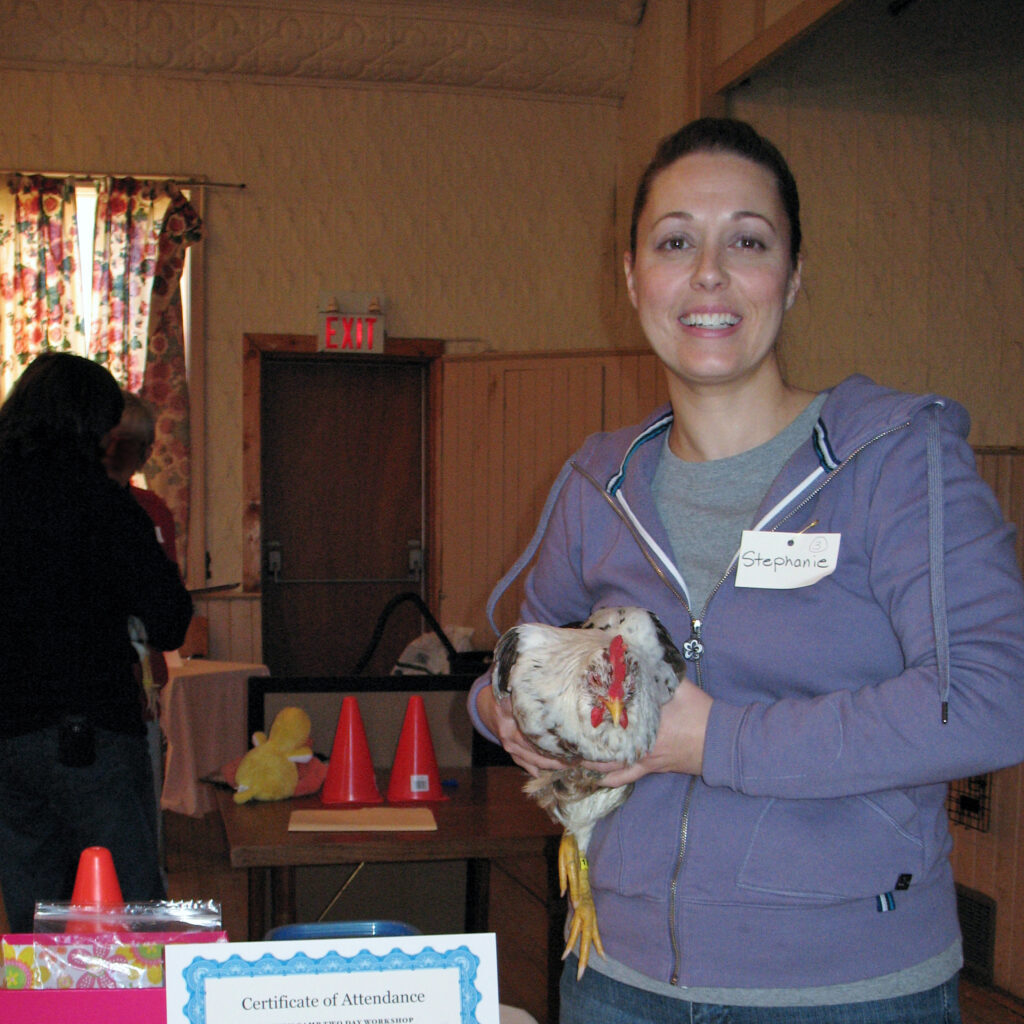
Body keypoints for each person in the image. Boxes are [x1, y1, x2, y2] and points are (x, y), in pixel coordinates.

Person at [468, 117, 1024, 1023]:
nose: (710, 273)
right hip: (617, 981)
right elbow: (512, 661)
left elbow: (994, 697)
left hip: (847, 992)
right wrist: (505, 715)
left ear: (794, 275)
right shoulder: (594, 484)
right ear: (633, 277)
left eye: (749, 241)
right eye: (676, 241)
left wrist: (712, 739)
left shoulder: (896, 460)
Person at [0, 352, 193, 933]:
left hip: (6, 737)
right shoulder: (102, 504)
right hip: (88, 735)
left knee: (37, 914)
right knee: (128, 910)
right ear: (89, 425)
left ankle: (46, 1017)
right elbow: (168, 621)